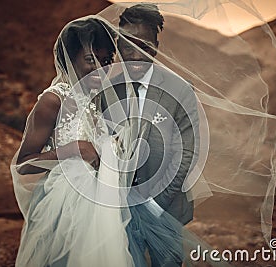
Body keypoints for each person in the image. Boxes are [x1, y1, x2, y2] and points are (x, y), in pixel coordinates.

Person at [10, 17, 135, 267]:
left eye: (107, 60)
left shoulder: (95, 99)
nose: (100, 68)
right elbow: (23, 164)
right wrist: (72, 150)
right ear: (70, 57)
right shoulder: (52, 101)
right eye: (91, 60)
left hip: (99, 206)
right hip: (62, 208)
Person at [100, 4, 201, 266]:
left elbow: (187, 152)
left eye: (144, 45)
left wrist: (155, 204)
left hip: (167, 209)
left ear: (156, 44)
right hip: (118, 213)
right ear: (118, 45)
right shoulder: (107, 91)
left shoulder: (180, 90)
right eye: (127, 45)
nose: (135, 54)